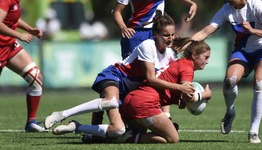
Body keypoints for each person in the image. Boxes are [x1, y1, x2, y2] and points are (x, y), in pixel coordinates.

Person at [44, 11, 194, 141]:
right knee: (111, 102)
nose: (170, 38)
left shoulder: (170, 54)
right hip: (117, 76)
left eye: (173, 35)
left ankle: (78, 128)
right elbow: (151, 79)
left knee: (119, 130)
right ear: (155, 34)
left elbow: (199, 37)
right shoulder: (148, 45)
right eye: (166, 35)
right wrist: (180, 88)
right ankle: (61, 114)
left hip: (131, 90)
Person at [49, 39, 212, 144]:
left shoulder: (173, 59)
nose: (207, 62)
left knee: (119, 130)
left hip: (132, 97)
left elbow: (178, 93)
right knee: (172, 138)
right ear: (195, 55)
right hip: (132, 91)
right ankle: (65, 114)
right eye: (205, 57)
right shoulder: (184, 65)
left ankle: (82, 129)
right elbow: (188, 95)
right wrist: (204, 95)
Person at [190, 0, 262, 144]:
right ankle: (230, 111)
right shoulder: (226, 9)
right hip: (243, 51)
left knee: (260, 82)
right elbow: (207, 30)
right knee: (230, 81)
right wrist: (188, 40)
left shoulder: (256, 4)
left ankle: (254, 131)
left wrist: (252, 30)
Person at [0, 0, 46, 132]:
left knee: (36, 79)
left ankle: (31, 123)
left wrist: (30, 29)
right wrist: (20, 34)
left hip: (9, 46)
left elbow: (12, 17)